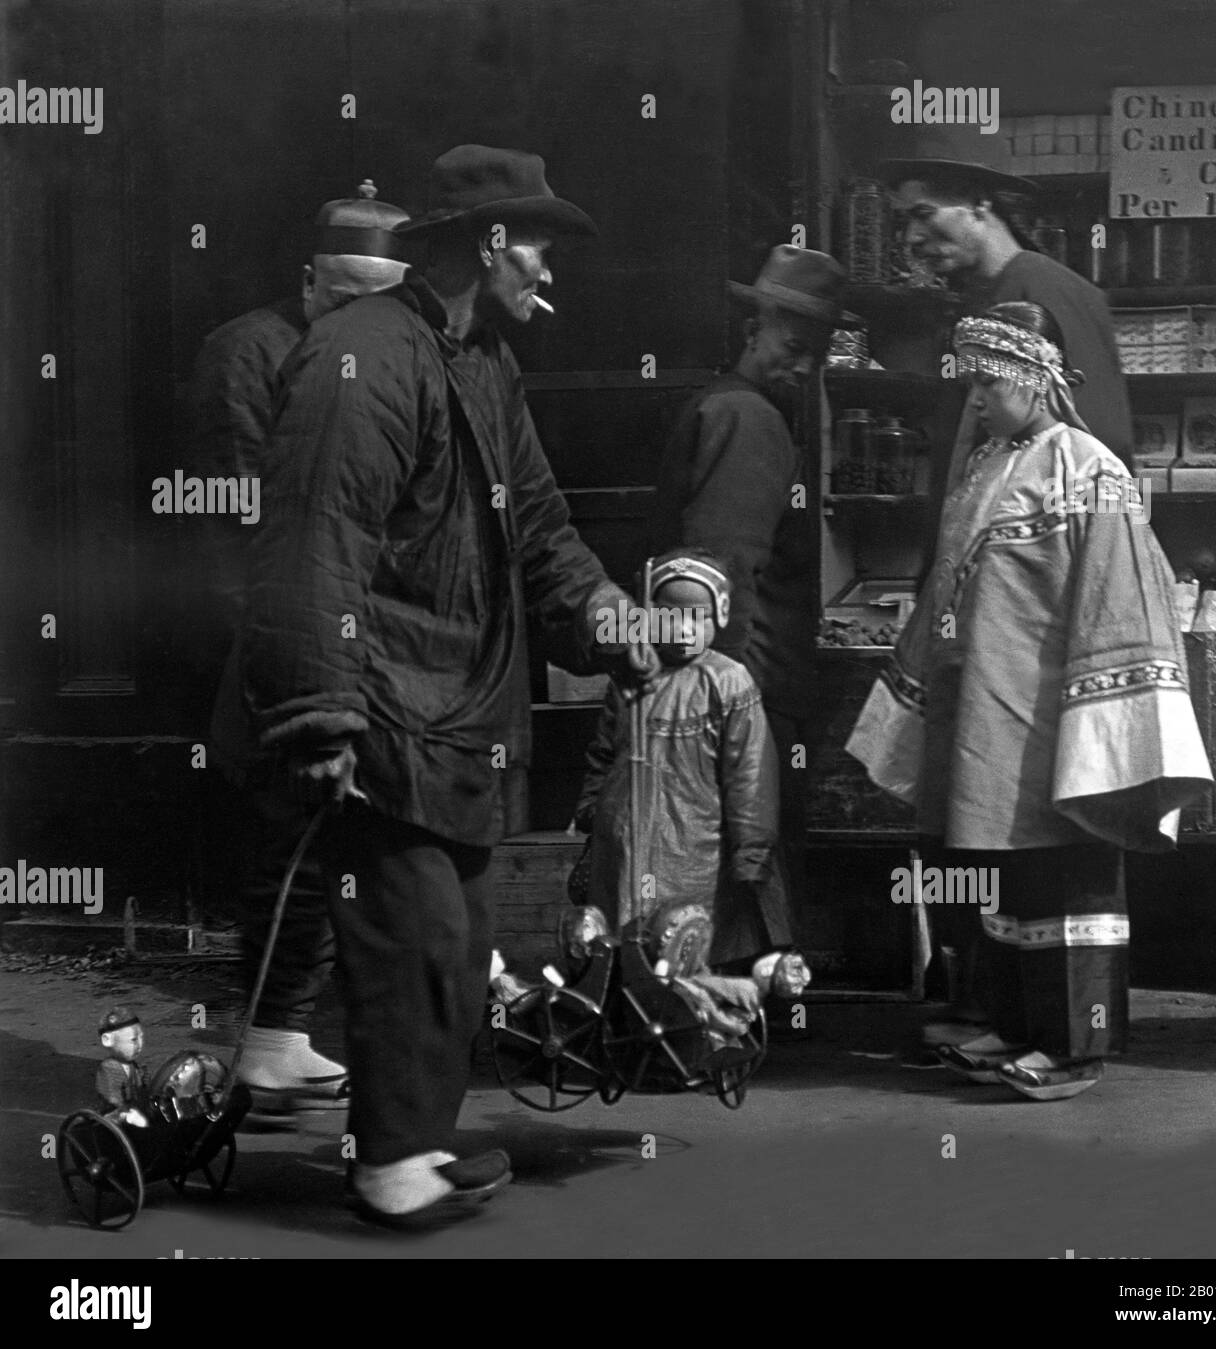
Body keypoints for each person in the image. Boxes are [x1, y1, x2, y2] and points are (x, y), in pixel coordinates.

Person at [240, 144, 656, 1227]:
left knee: (454, 941)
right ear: (487, 243)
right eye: (540, 245)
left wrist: (609, 618)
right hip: (380, 700)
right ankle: (387, 1165)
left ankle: (409, 1142)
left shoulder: (476, 358)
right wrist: (322, 712)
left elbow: (542, 529)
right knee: (415, 935)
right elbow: (313, 543)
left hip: (456, 710)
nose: (549, 269)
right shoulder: (362, 358)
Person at [847, 302, 1212, 1099]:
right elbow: (947, 584)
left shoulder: (1092, 469)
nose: (973, 398)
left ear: (1034, 377)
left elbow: (1122, 596)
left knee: (1069, 880)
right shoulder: (986, 465)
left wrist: (1104, 720)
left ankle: (1075, 1048)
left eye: (985, 381)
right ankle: (1014, 1026)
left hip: (1057, 717)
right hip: (985, 714)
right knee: (1000, 880)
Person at [194, 182, 410, 1119]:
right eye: (341, 294)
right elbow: (237, 514)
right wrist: (280, 648)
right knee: (291, 830)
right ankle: (271, 1035)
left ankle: (288, 1032)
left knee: (341, 835)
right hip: (283, 626)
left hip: (362, 629)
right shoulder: (249, 352)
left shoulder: (390, 350)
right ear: (308, 279)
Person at [648, 245, 855, 930]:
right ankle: (737, 1013)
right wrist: (723, 700)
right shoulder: (751, 419)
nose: (802, 366)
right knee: (747, 862)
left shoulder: (723, 406)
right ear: (750, 331)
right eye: (793, 346)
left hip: (733, 683)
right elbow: (720, 573)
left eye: (815, 354)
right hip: (748, 687)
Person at [574, 548, 793, 967]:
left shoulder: (728, 682)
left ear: (720, 615)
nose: (685, 629)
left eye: (699, 617)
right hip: (622, 844)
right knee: (622, 943)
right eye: (672, 615)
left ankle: (694, 1021)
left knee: (687, 944)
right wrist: (591, 811)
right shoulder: (629, 677)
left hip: (698, 850)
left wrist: (752, 852)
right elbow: (603, 753)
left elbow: (750, 775)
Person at [882, 158, 1134, 471]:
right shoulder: (976, 300)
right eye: (905, 222)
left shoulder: (1046, 287)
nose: (912, 238)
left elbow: (1098, 438)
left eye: (924, 213)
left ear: (978, 203)